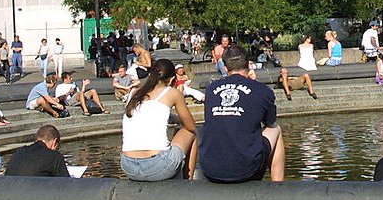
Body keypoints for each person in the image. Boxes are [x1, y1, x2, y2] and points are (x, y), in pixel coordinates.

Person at [199, 45, 285, 183]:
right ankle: (278, 185)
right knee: (276, 129)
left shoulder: (211, 89)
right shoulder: (262, 91)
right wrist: (253, 82)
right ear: (249, 65)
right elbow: (269, 121)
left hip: (210, 169)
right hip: (246, 170)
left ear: (226, 68)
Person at [121, 59, 197, 181]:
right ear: (172, 79)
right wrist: (178, 120)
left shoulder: (135, 93)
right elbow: (191, 126)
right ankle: (188, 181)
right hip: (158, 166)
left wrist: (172, 118)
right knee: (190, 133)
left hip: (128, 166)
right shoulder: (173, 92)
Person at [5, 124, 70, 177]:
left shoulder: (19, 152)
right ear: (55, 142)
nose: (57, 150)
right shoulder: (55, 156)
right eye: (58, 147)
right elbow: (66, 185)